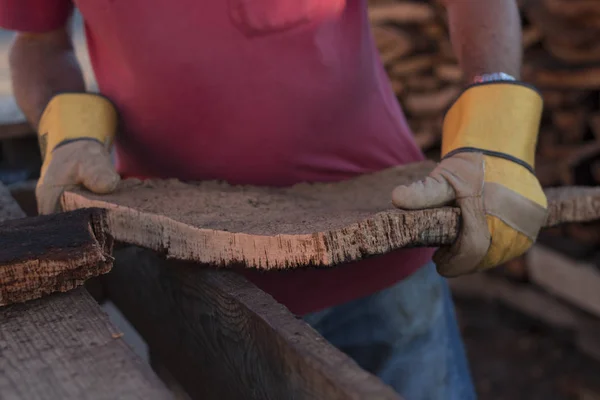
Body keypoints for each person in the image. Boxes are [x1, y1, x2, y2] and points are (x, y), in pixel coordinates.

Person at [0, 0, 547, 398]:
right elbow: (38, 45)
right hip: (186, 269)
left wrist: (493, 123)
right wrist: (68, 130)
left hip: (383, 248)